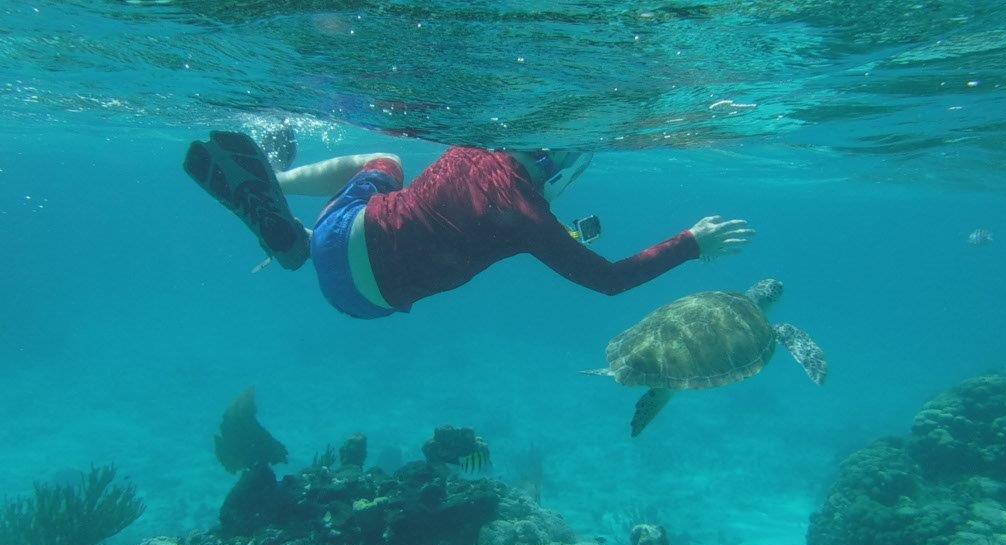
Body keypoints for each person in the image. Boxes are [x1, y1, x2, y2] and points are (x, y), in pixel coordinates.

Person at [183, 131, 754, 319]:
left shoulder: (469, 144)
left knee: (387, 168)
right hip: (364, 302)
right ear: (559, 172)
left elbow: (477, 215)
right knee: (410, 207)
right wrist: (692, 244)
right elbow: (610, 281)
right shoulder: (534, 219)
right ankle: (294, 240)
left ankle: (278, 188)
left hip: (341, 236)